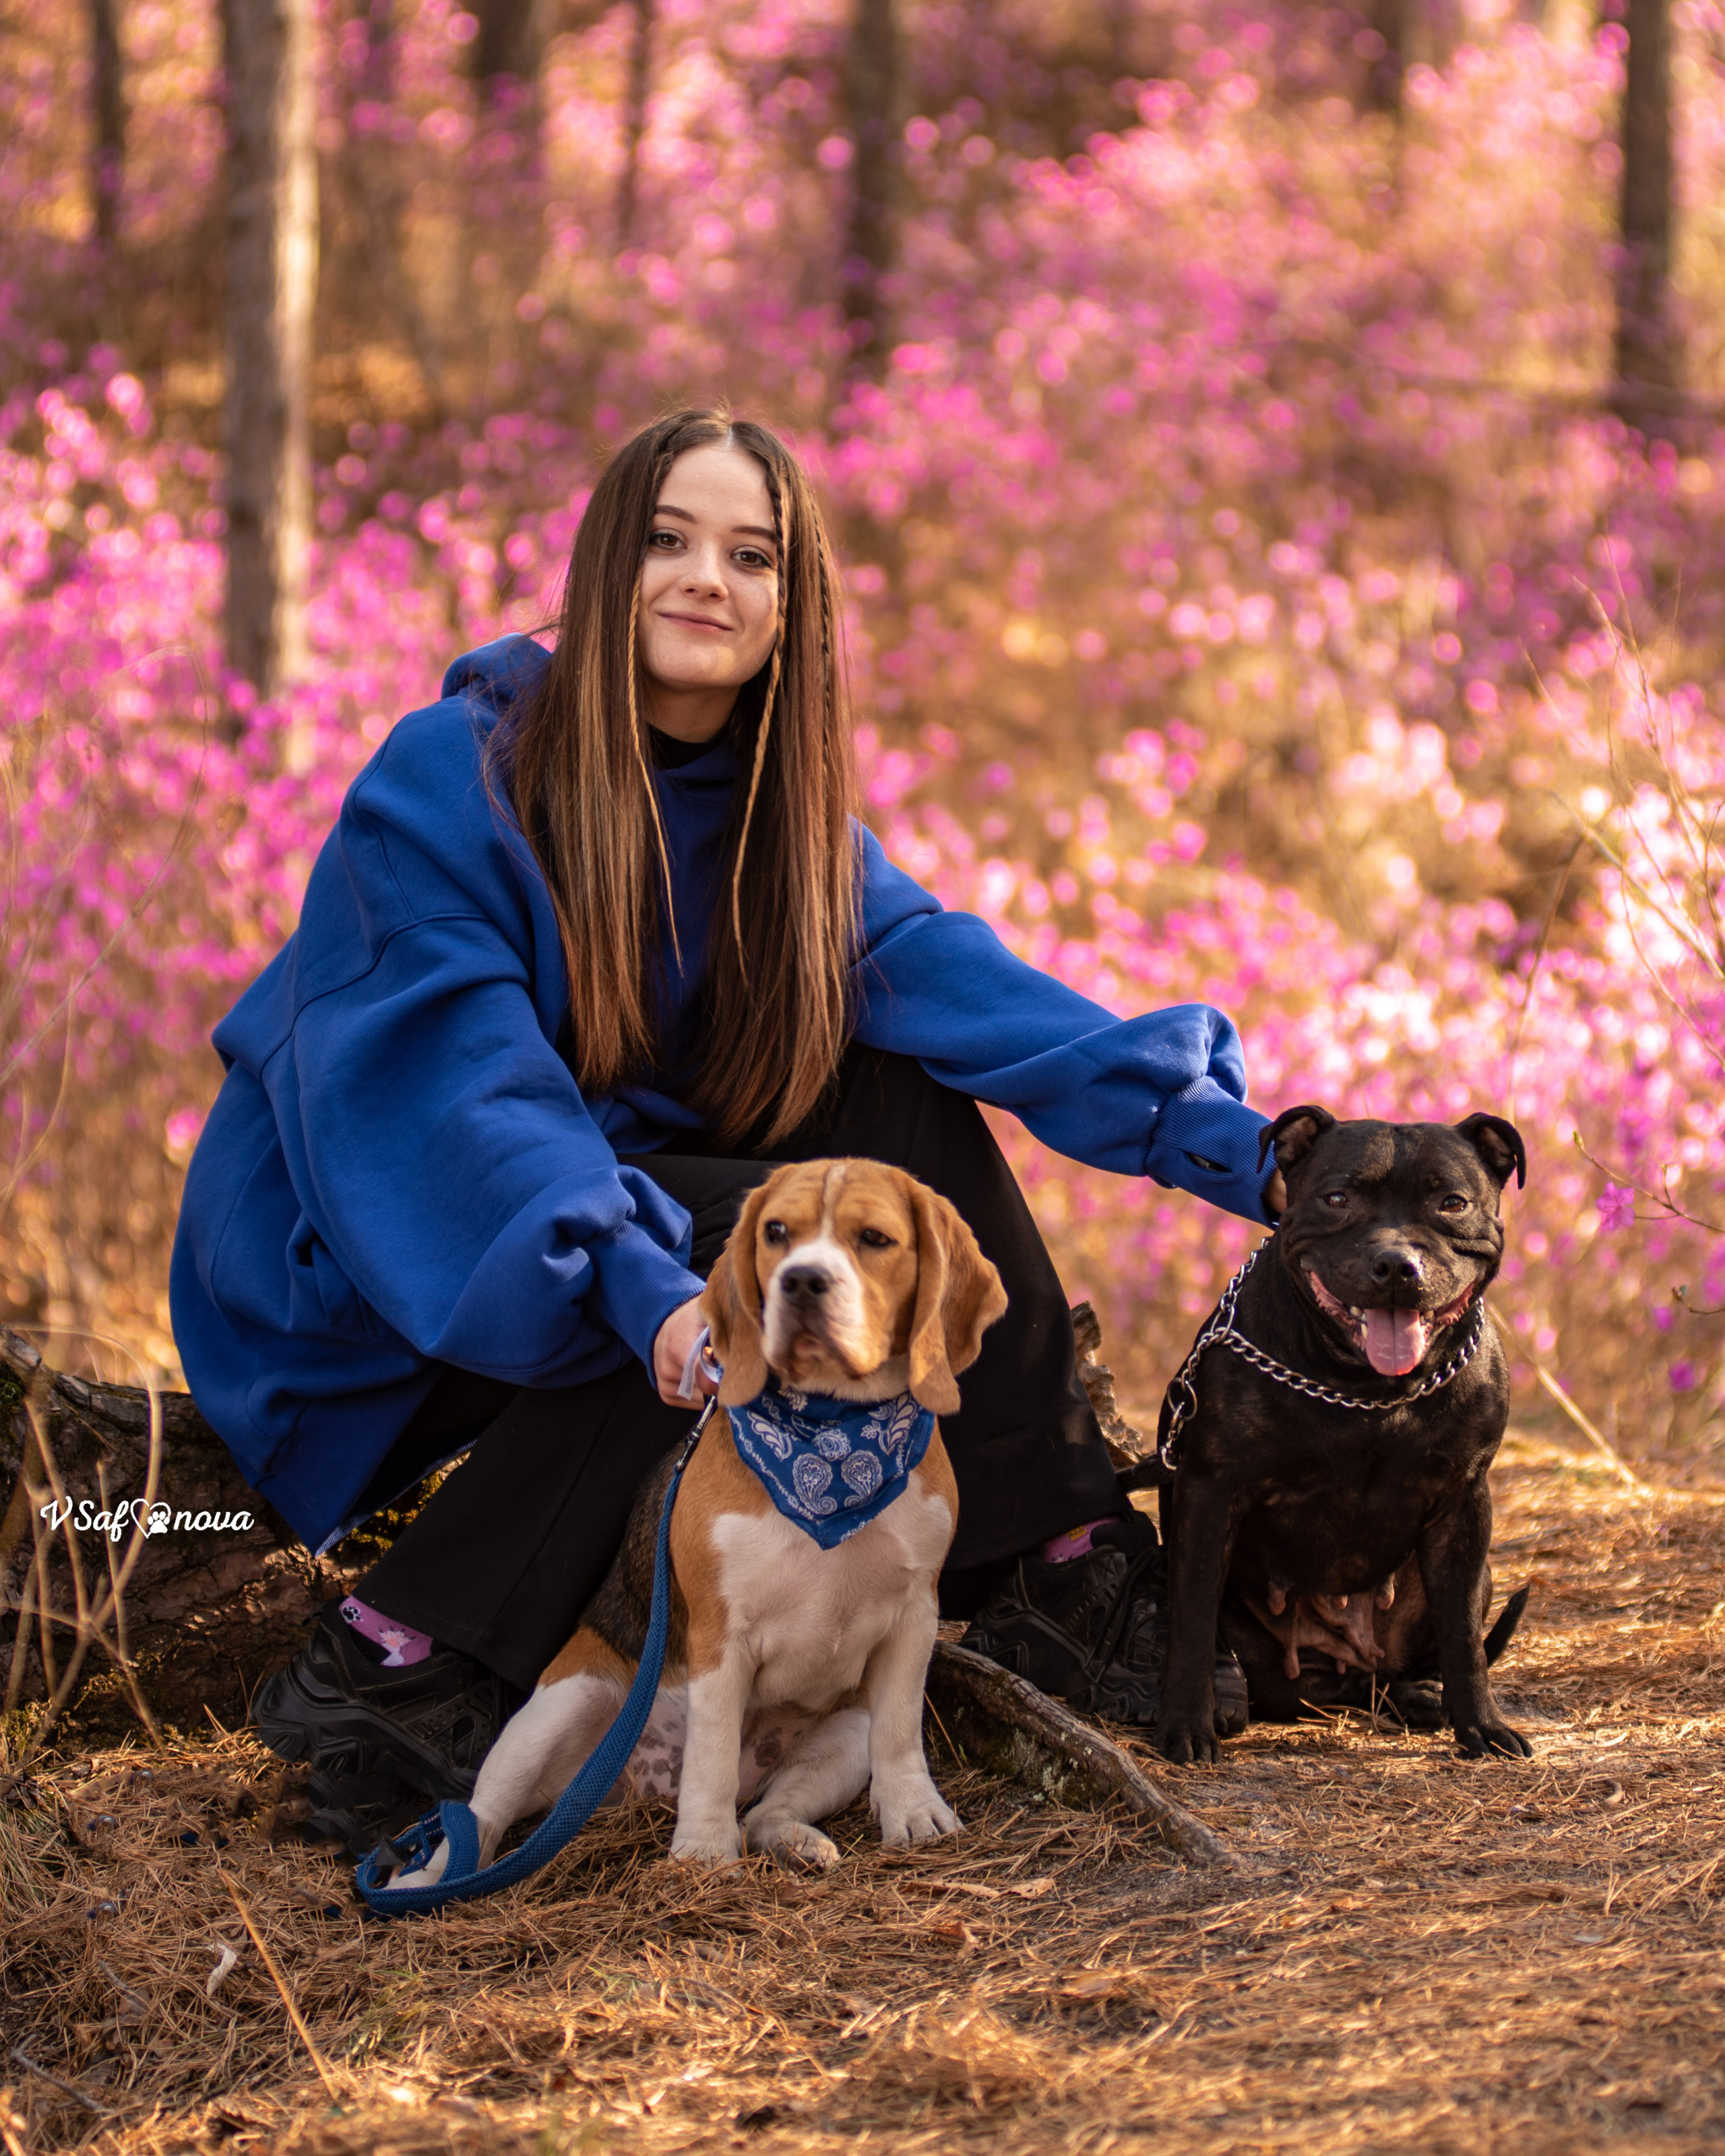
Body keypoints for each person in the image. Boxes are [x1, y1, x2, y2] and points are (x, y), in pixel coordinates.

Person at [170, 408, 1283, 1851]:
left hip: (587, 1226)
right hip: (371, 1253)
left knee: (895, 1098)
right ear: (601, 568)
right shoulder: (454, 779)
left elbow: (976, 997)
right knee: (724, 1253)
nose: (707, 578)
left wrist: (1254, 1154)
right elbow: (468, 1100)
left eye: (750, 555)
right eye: (667, 540)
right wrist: (647, 1288)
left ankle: (1048, 1555)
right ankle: (393, 1657)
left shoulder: (780, 819)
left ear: (789, 606)